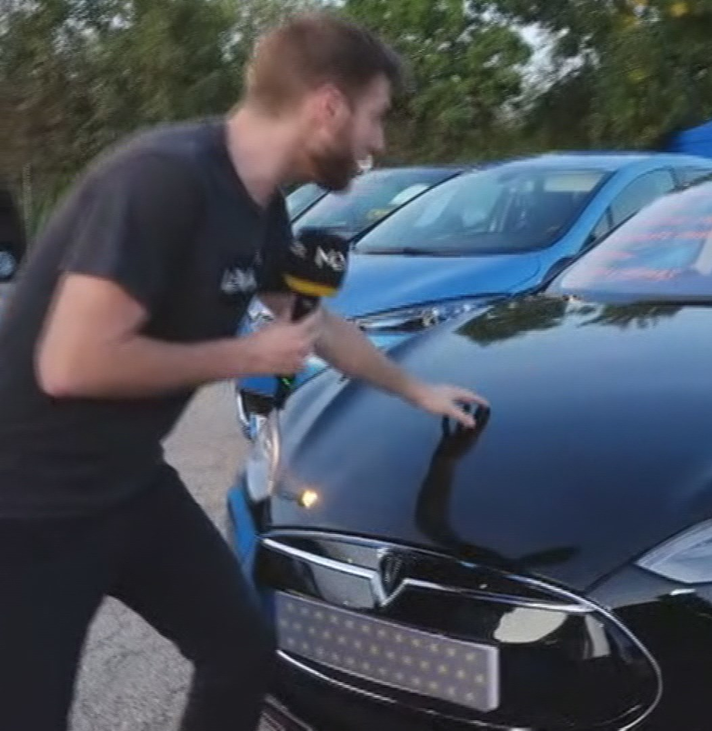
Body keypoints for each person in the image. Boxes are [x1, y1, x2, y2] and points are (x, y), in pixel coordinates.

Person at [0, 12, 487, 731]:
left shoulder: (258, 209)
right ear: (327, 105)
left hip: (129, 486)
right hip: (29, 507)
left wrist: (416, 388)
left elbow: (308, 320)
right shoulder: (161, 180)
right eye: (375, 118)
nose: (377, 143)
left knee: (239, 648)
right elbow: (72, 363)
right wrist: (243, 357)